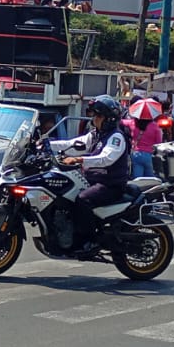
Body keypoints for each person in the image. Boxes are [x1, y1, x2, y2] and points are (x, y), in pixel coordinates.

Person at [52, 96, 131, 248]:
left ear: (109, 118)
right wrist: (48, 144)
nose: (94, 118)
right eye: (94, 115)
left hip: (110, 184)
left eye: (98, 115)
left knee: (82, 199)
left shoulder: (116, 137)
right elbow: (72, 144)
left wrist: (79, 160)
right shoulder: (96, 134)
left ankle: (89, 241)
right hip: (93, 180)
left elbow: (106, 159)